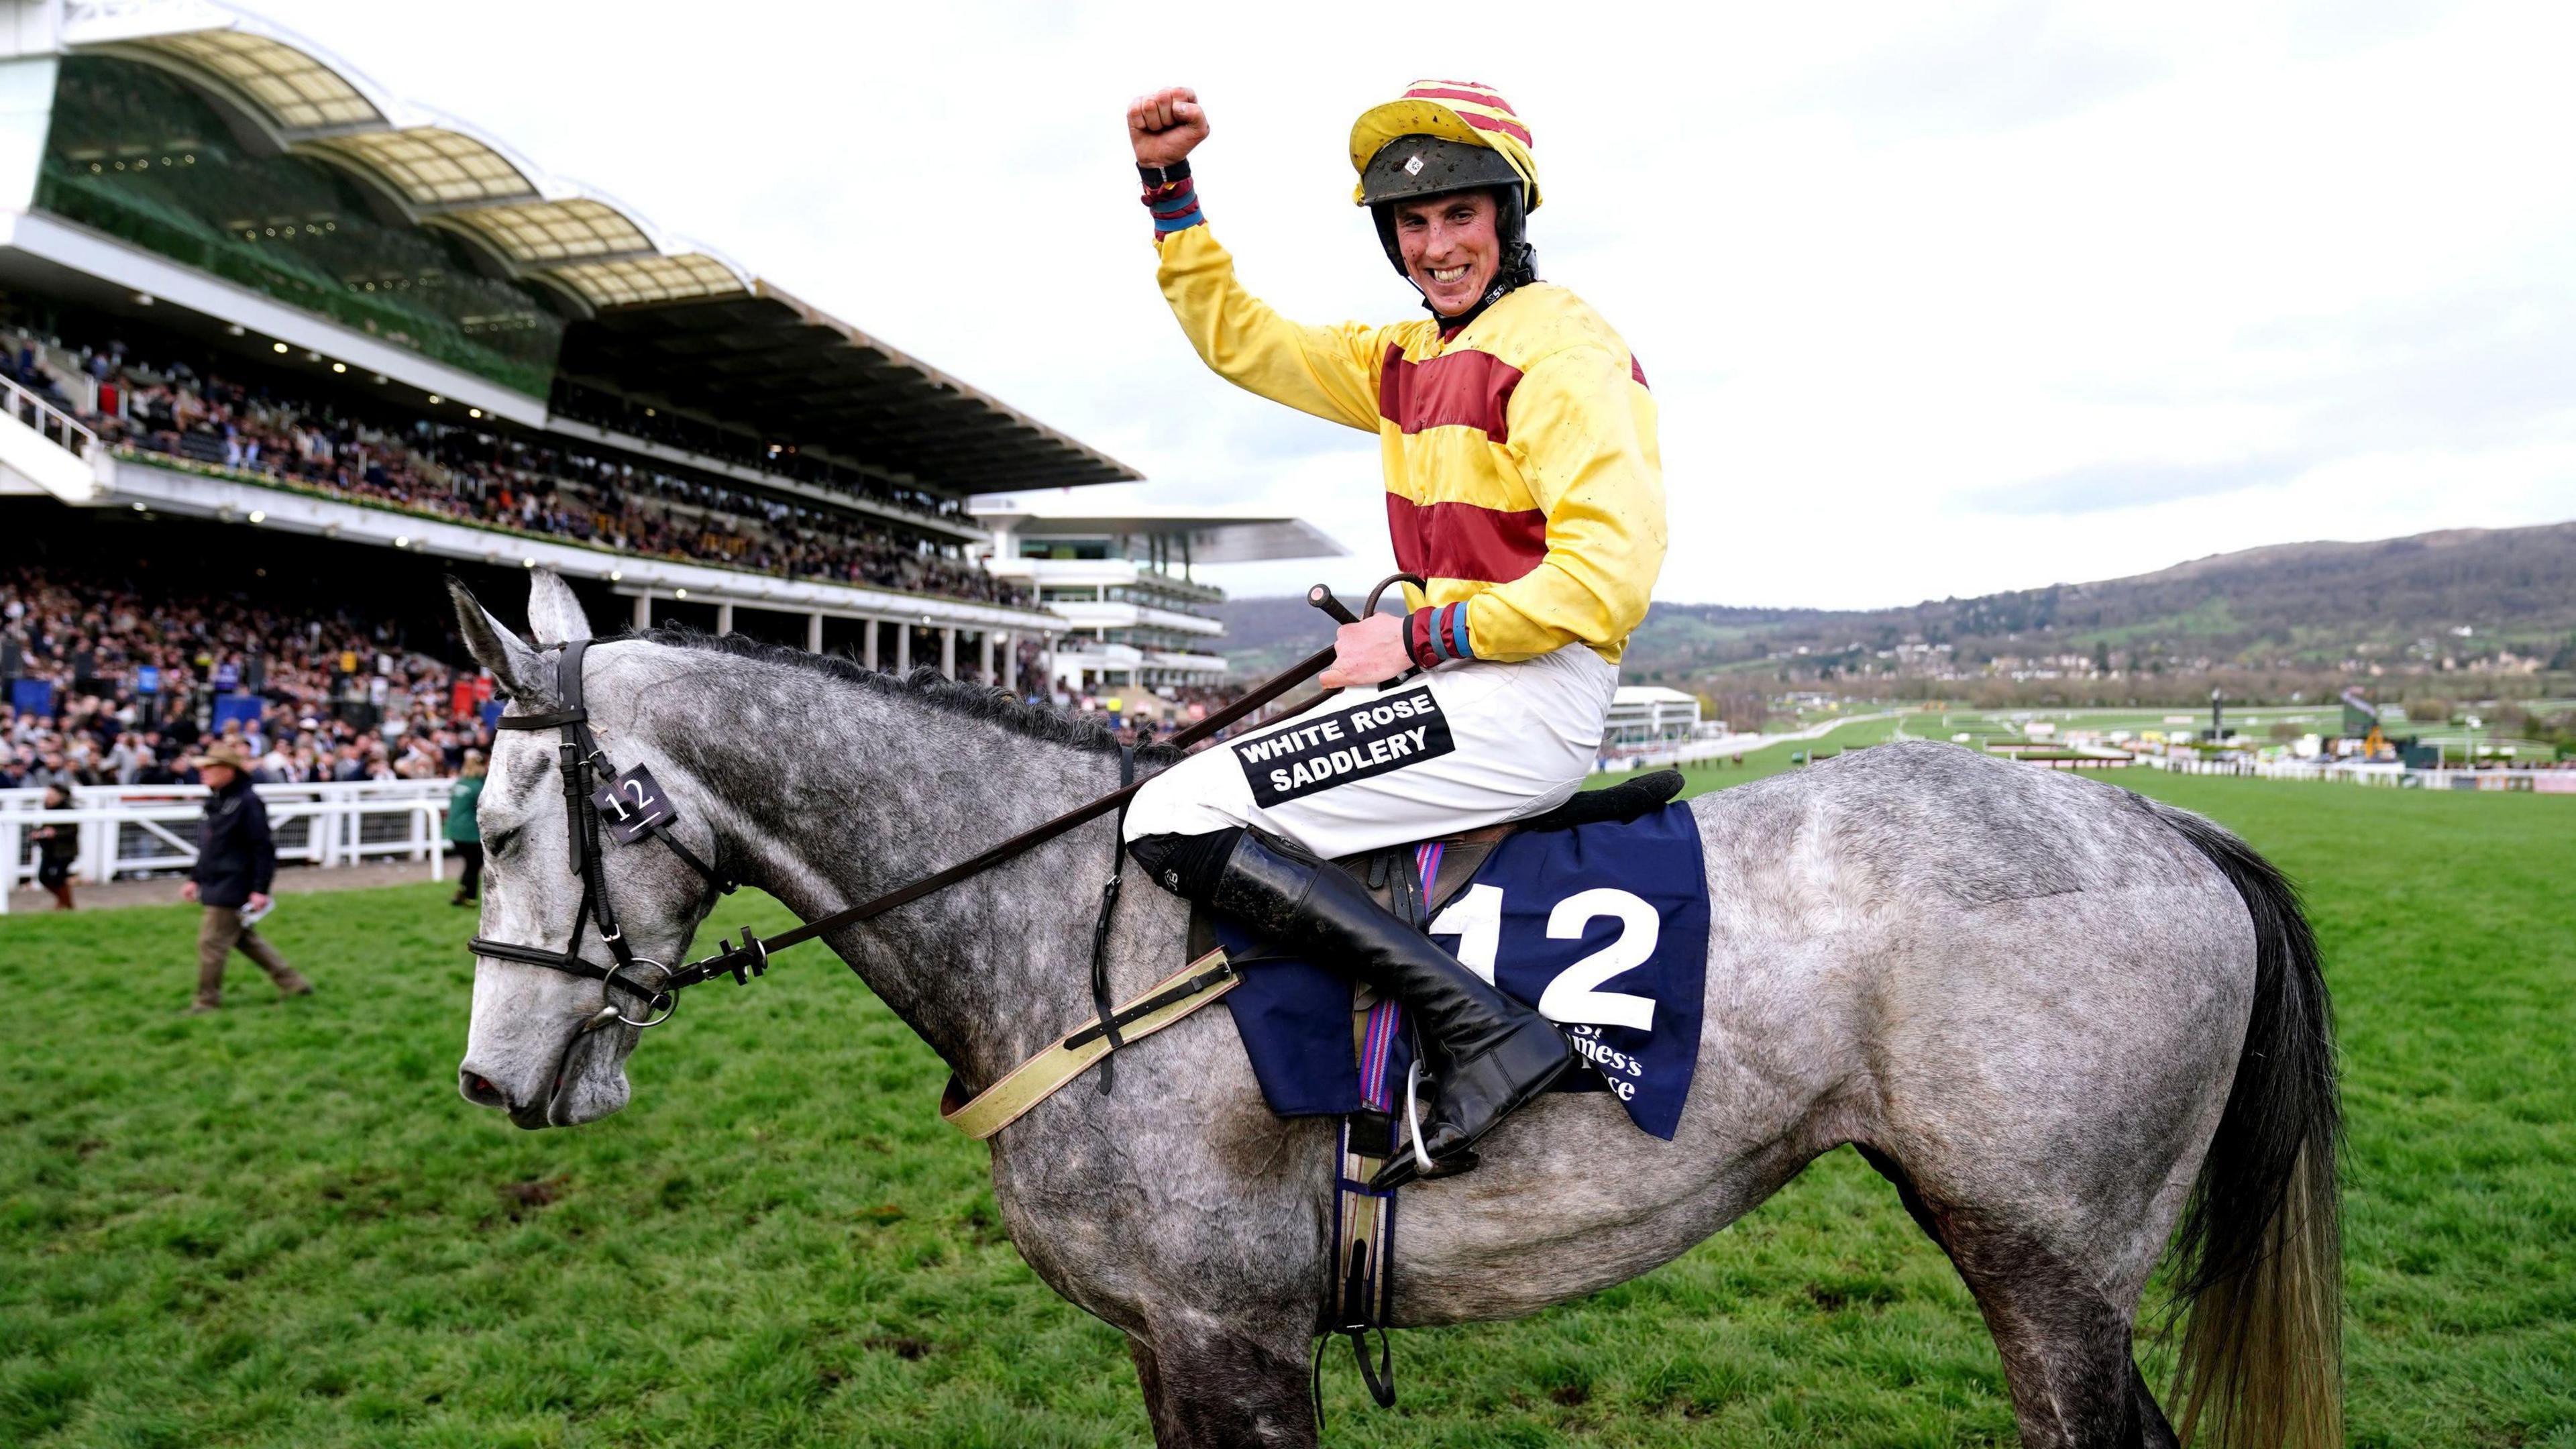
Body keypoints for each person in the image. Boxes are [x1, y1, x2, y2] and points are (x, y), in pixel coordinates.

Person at [1118, 81, 1666, 1185]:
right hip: (1464, 680)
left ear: (1510, 219)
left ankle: (1483, 1032)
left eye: (1459, 215)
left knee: (1174, 810)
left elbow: (1608, 577)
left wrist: (1418, 641)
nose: (1437, 245)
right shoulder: (1404, 357)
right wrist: (1171, 193)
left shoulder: (1561, 354)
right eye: (1412, 224)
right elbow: (1245, 345)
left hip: (1524, 694)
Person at [180, 742, 312, 1012]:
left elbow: (262, 848)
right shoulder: (216, 800)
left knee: (211, 942)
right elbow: (209, 846)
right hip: (217, 880)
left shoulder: (248, 802)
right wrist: (195, 878)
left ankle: (206, 1002)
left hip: (234, 882)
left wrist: (260, 889)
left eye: (209, 767)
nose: (203, 773)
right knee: (243, 939)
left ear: (228, 770)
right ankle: (294, 983)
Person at [447, 749, 486, 906]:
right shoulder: (478, 787)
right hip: (470, 833)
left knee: (470, 863)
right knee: (474, 864)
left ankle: (462, 892)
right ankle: (469, 897)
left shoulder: (459, 783)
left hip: (454, 831)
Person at [32, 783, 77, 910]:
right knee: (43, 877)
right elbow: (42, 826)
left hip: (65, 851)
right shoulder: (46, 808)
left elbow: (72, 831)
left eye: (51, 795)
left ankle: (66, 904)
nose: (48, 797)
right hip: (49, 850)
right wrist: (38, 833)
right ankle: (65, 902)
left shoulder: (69, 809)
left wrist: (55, 833)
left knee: (59, 878)